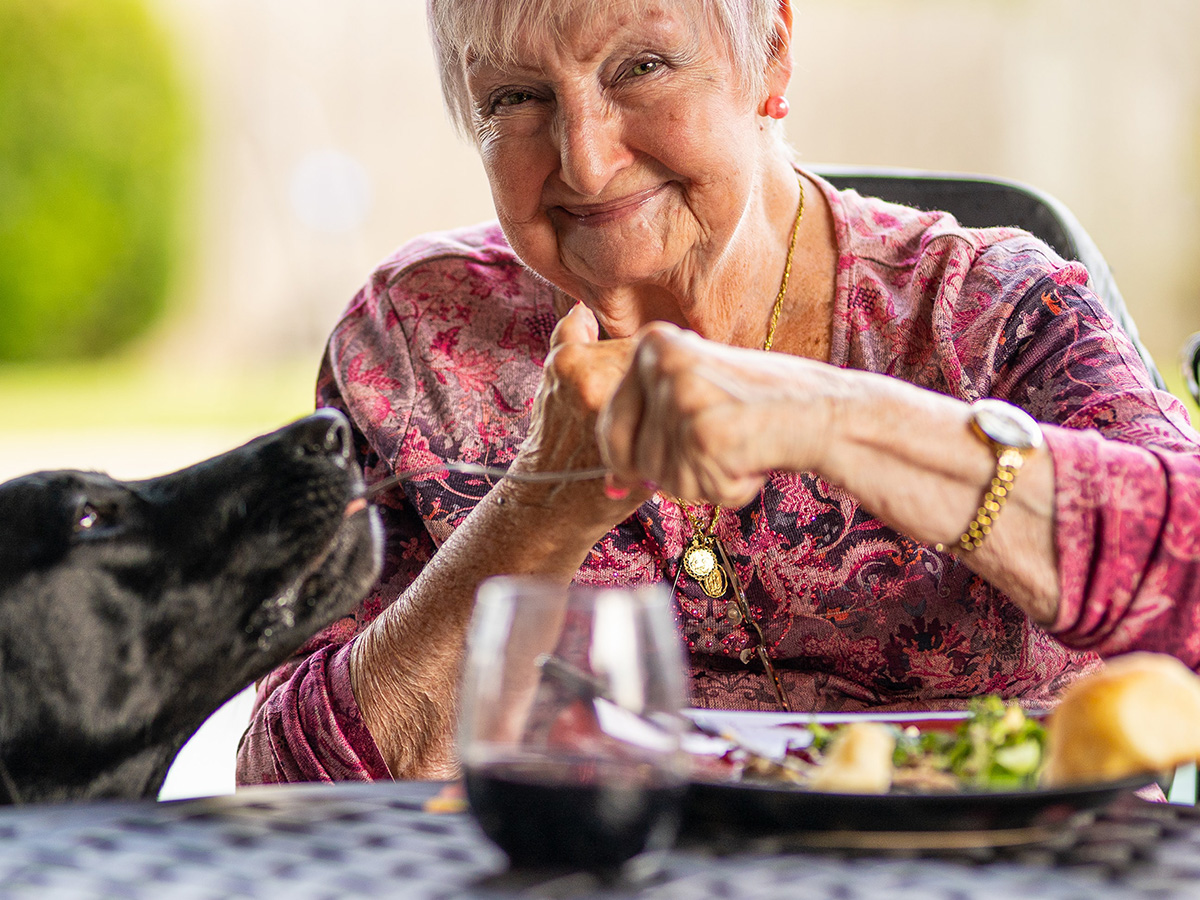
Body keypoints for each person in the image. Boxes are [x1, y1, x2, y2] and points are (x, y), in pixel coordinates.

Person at [236, 0, 1200, 785]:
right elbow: (287, 791)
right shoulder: (416, 341)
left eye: (642, 67)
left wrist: (829, 415)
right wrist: (542, 502)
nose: (585, 157)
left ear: (771, 55)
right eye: (519, 97)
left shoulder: (988, 310)